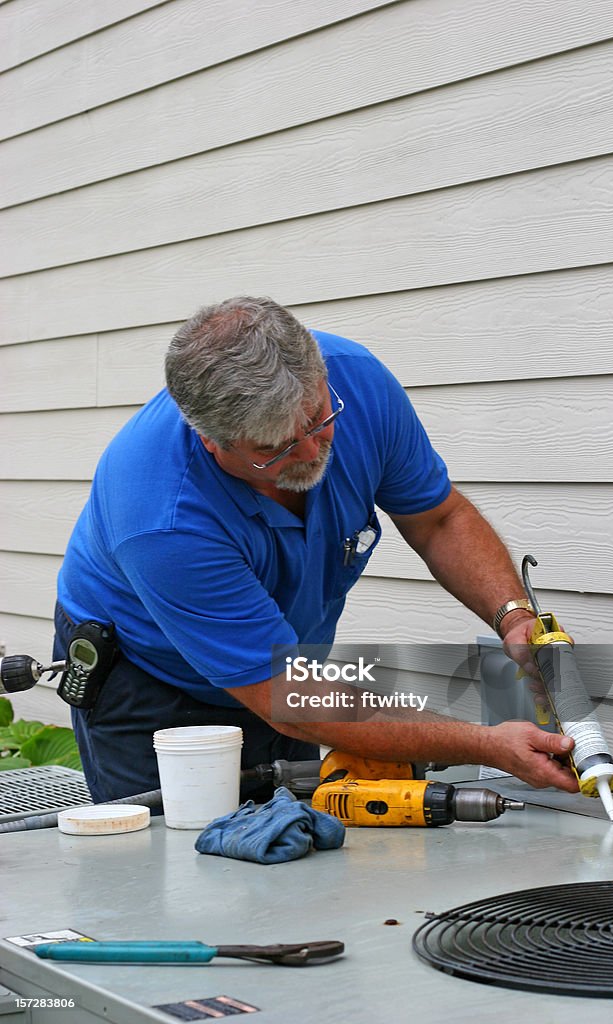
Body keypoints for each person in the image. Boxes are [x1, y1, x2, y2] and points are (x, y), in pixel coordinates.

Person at [54, 296, 578, 803]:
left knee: (297, 840)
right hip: (151, 681)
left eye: (317, 420)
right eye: (272, 447)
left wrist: (512, 616)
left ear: (321, 375)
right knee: (174, 870)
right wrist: (487, 745)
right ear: (210, 440)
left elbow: (439, 520)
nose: (309, 453)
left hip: (289, 674)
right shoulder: (162, 518)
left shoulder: (359, 380)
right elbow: (291, 701)